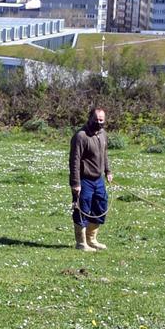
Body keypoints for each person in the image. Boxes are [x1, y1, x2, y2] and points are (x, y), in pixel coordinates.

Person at [69, 106, 110, 252]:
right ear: (90, 118)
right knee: (82, 210)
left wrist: (108, 171)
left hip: (99, 180)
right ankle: (81, 243)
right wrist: (75, 183)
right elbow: (74, 161)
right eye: (96, 119)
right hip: (84, 180)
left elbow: (104, 154)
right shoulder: (81, 136)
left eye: (101, 120)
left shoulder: (103, 134)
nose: (99, 122)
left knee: (101, 208)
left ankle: (91, 239)